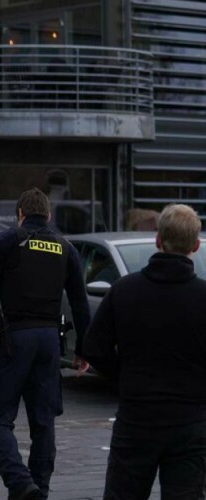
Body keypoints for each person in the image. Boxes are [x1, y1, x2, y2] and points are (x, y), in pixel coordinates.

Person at [0, 188, 91, 500]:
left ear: (20, 215)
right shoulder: (65, 248)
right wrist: (83, 350)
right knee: (44, 423)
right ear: (48, 216)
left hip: (12, 340)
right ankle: (39, 491)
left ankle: (21, 484)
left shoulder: (7, 242)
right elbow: (80, 302)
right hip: (48, 342)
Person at [84, 204, 206, 500]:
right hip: (191, 421)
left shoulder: (124, 290)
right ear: (195, 245)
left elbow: (93, 348)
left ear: (157, 240)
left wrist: (122, 375)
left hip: (137, 416)